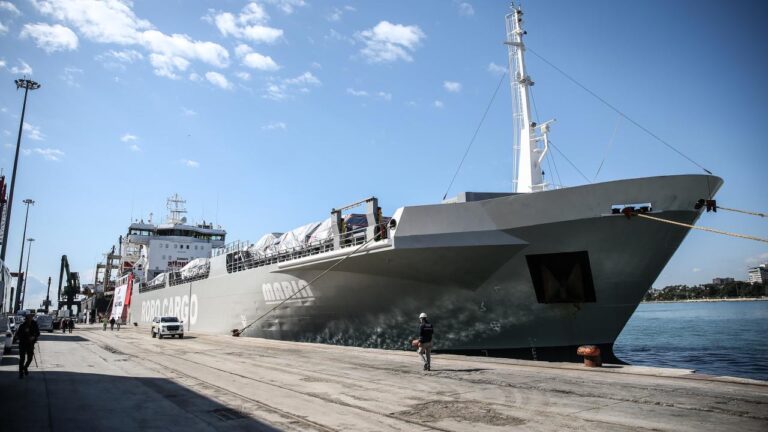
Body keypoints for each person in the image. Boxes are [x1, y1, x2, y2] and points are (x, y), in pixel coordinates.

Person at [13, 314, 40, 379]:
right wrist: (16, 338)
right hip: (22, 344)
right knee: (22, 359)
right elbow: (18, 334)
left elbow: (38, 333)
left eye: (30, 318)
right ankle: (20, 373)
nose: (30, 320)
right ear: (26, 319)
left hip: (30, 344)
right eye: (28, 319)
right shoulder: (22, 326)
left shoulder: (34, 325)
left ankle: (25, 367)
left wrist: (33, 337)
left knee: (30, 358)